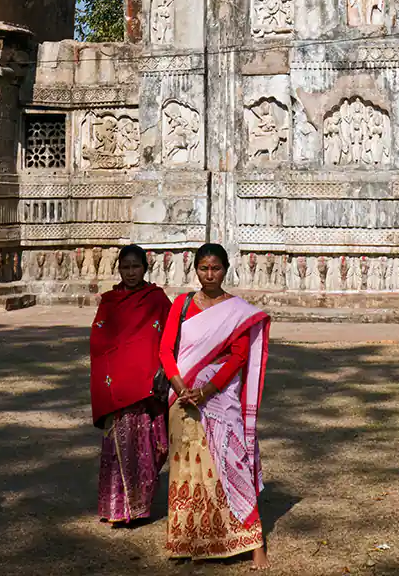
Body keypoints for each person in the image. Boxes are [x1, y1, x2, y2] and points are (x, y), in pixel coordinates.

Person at [160, 243, 270, 567]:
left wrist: (206, 391)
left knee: (233, 460)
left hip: (220, 396)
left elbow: (238, 356)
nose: (210, 275)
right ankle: (190, 540)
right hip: (182, 396)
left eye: (216, 268)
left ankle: (253, 543)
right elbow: (166, 350)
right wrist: (182, 388)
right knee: (188, 469)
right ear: (195, 269)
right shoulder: (181, 304)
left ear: (226, 269)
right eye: (204, 268)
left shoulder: (235, 310)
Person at [90, 243, 172, 524]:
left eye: (136, 266)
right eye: (125, 267)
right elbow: (99, 342)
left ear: (145, 268)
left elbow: (172, 336)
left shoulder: (157, 299)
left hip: (146, 387)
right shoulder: (110, 301)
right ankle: (116, 508)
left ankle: (140, 506)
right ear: (119, 269)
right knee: (117, 448)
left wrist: (161, 370)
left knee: (147, 445)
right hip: (119, 389)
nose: (131, 272)